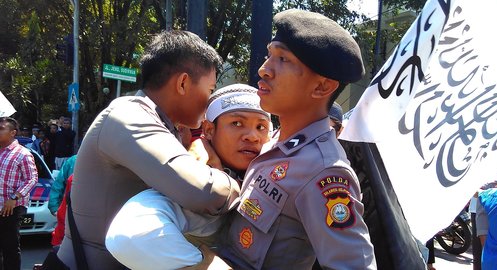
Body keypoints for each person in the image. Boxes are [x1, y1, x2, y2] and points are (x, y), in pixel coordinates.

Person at [56, 30, 240, 270]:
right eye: (210, 89)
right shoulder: (127, 116)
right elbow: (201, 192)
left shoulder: (165, 125)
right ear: (183, 83)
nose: (209, 100)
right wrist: (235, 182)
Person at [215, 9, 376, 269]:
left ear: (322, 87)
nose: (264, 69)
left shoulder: (323, 171)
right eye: (269, 55)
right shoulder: (276, 141)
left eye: (283, 59)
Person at [105, 84, 272, 269]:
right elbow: (130, 235)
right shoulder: (195, 190)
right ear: (209, 130)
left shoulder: (278, 179)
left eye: (261, 126)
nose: (252, 136)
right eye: (237, 123)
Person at [0, 117, 38, 270]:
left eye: (1, 128)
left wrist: (14, 198)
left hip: (11, 208)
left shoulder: (22, 154)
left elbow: (32, 178)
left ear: (13, 133)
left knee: (10, 248)